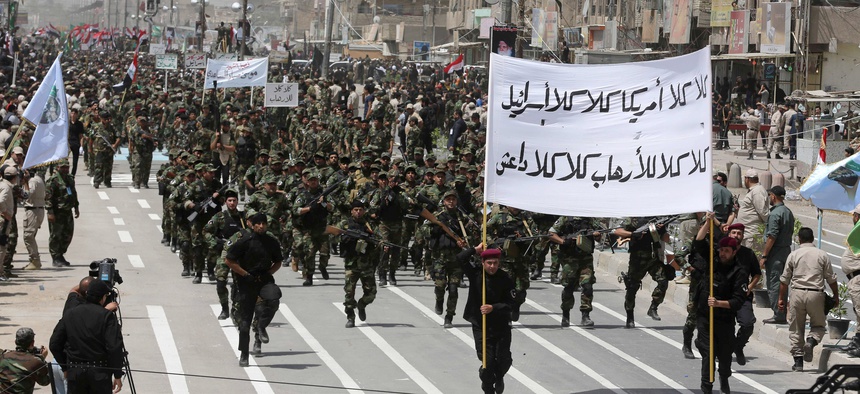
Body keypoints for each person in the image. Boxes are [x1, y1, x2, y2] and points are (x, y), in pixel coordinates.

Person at [690, 230, 748, 394]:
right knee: (708, 353)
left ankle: (724, 377)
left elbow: (738, 301)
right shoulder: (712, 261)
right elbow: (699, 242)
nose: (723, 254)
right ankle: (706, 387)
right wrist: (707, 221)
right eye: (721, 250)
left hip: (724, 319)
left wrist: (718, 303)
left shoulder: (739, 272)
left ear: (734, 252)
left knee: (724, 354)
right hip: (705, 317)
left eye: (727, 251)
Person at [224, 212, 282, 366]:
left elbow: (278, 262)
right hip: (247, 282)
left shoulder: (271, 242)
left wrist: (269, 273)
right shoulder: (245, 241)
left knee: (274, 299)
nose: (261, 226)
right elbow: (229, 260)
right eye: (258, 224)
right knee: (244, 322)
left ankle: (261, 326)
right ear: (253, 225)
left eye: (264, 224)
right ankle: (244, 353)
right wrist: (245, 274)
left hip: (264, 279)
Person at [49, 279, 125, 394]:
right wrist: (117, 374)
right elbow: (114, 347)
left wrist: (65, 367)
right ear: (102, 297)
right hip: (100, 374)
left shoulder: (70, 313)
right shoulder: (106, 316)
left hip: (75, 373)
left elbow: (54, 344)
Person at [778, 227, 838, 372]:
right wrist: (836, 296)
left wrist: (781, 299)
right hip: (816, 294)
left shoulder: (793, 255)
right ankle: (811, 341)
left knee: (796, 328)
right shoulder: (822, 254)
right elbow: (831, 278)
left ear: (799, 239)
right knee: (819, 325)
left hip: (797, 293)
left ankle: (798, 362)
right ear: (812, 238)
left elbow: (784, 280)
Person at [457, 245, 515, 394]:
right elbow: (460, 258)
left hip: (501, 324)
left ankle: (499, 376)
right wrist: (475, 249)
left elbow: (512, 303)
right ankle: (488, 387)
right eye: (489, 263)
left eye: (495, 263)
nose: (492, 266)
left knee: (504, 359)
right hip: (481, 324)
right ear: (483, 262)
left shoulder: (505, 278)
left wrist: (493, 307)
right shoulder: (476, 274)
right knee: (487, 362)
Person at [614, 216, 670, 327]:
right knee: (632, 288)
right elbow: (618, 231)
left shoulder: (657, 219)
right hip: (637, 259)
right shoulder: (634, 218)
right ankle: (630, 317)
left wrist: (662, 229)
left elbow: (666, 239)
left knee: (663, 281)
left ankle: (653, 307)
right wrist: (632, 234)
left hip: (653, 259)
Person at [548, 216, 602, 327]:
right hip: (569, 258)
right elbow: (551, 234)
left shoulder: (590, 218)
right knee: (569, 287)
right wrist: (563, 241)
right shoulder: (565, 218)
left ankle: (585, 315)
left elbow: (599, 235)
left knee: (587, 286)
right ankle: (566, 314)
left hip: (585, 258)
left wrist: (596, 235)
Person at [725, 223, 762, 365]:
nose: (736, 235)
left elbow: (757, 274)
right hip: (724, 296)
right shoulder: (721, 252)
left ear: (742, 236)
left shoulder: (748, 254)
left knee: (748, 324)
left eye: (739, 233)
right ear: (729, 234)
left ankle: (738, 346)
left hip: (742, 296)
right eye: (734, 232)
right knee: (723, 327)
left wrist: (750, 287)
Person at [339, 200, 378, 328]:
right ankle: (350, 317)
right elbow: (333, 237)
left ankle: (361, 305)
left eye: (360, 210)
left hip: (366, 263)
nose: (358, 212)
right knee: (349, 292)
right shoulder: (344, 224)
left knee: (371, 293)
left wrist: (379, 244)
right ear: (351, 211)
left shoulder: (369, 224)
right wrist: (348, 237)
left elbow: (378, 238)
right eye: (356, 210)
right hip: (351, 264)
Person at [761, 185, 795, 324]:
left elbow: (772, 236)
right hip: (785, 251)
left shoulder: (775, 213)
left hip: (776, 253)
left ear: (773, 196)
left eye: (770, 196)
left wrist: (764, 255)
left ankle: (778, 314)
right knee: (783, 284)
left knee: (774, 283)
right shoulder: (787, 212)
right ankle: (782, 312)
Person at [45, 159, 80, 267]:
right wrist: (50, 212)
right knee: (56, 235)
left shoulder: (70, 179)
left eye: (67, 167)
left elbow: (73, 193)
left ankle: (60, 254)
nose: (65, 169)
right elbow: (48, 198)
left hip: (67, 211)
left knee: (68, 234)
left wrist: (76, 207)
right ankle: (55, 257)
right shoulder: (53, 181)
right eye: (63, 167)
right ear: (57, 168)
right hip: (57, 212)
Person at [0, 327, 51, 393]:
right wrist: (42, 359)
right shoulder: (35, 362)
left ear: (15, 342)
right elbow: (45, 381)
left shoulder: (3, 356)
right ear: (32, 343)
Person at [841, 204, 860, 357]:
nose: (852, 217)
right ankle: (857, 340)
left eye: (854, 215)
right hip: (854, 279)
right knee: (858, 312)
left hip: (858, 278)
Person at [736, 169, 769, 249]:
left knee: (751, 255)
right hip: (747, 233)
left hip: (752, 234)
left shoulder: (757, 191)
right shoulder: (754, 190)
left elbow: (763, 212)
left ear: (747, 179)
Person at [21, 168, 46, 270]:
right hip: (37, 210)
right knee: (30, 236)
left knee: (28, 236)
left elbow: (27, 195)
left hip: (33, 210)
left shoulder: (32, 181)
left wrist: (25, 182)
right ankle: (34, 260)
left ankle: (35, 260)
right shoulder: (38, 179)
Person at [0, 166, 16, 280]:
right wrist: (5, 212)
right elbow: (1, 201)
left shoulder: (2, 184)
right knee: (2, 247)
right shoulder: (6, 187)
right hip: (3, 221)